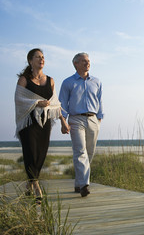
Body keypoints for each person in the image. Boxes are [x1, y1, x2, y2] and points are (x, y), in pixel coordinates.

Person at [14, 48, 68, 204]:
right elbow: (18, 100)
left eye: (43, 57)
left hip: (44, 122)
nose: (41, 59)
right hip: (29, 122)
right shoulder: (24, 79)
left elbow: (56, 104)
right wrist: (37, 102)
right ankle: (36, 186)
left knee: (41, 155)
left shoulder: (50, 80)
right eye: (38, 57)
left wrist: (63, 122)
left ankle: (28, 185)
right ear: (30, 60)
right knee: (30, 152)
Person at [59, 52, 104, 197]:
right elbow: (62, 104)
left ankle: (79, 183)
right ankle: (85, 184)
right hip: (76, 119)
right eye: (83, 61)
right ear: (75, 64)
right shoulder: (68, 82)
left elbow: (100, 101)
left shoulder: (96, 81)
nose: (87, 63)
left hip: (93, 119)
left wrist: (99, 119)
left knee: (89, 152)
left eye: (88, 61)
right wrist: (63, 121)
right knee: (80, 151)